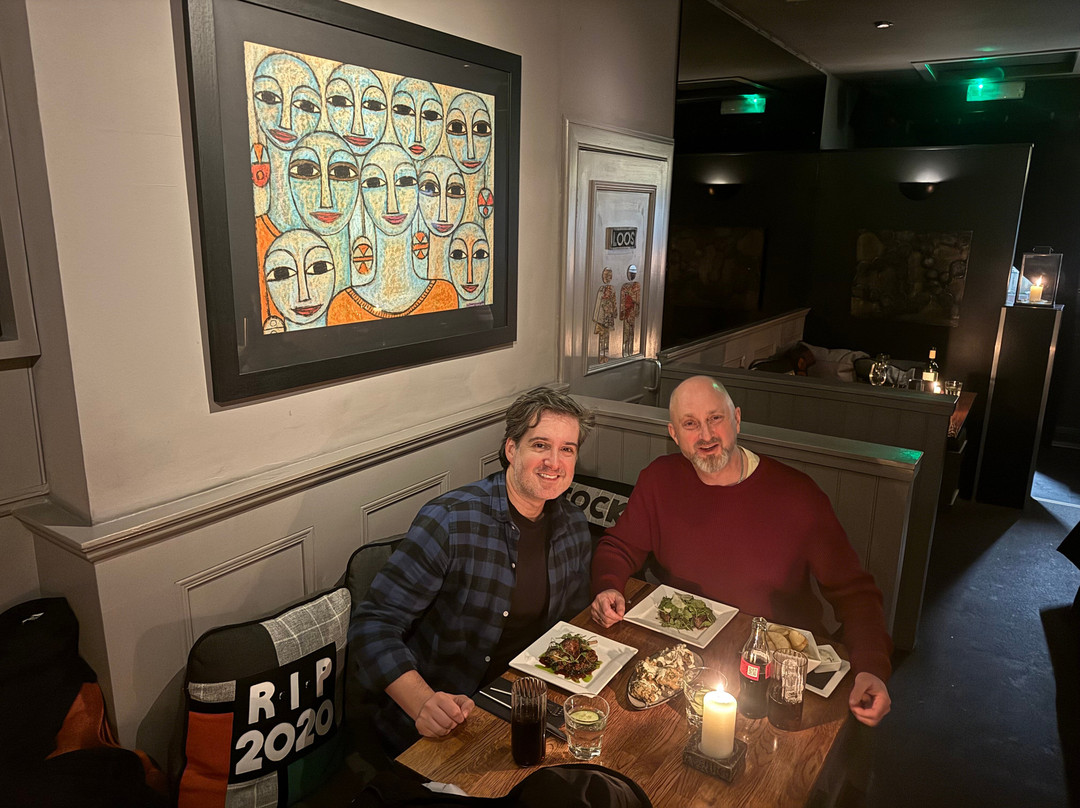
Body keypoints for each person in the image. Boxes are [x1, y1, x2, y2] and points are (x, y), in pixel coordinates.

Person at [590, 375, 893, 726]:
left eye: (715, 418)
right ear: (674, 434)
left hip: (778, 681)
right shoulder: (659, 478)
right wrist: (608, 586)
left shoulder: (798, 495)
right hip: (685, 667)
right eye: (690, 424)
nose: (706, 435)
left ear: (736, 419)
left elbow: (856, 594)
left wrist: (871, 667)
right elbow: (618, 546)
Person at [352, 388, 596, 753]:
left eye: (567, 449)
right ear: (511, 449)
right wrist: (422, 702)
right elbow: (372, 625)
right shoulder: (451, 520)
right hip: (442, 719)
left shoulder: (573, 524)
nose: (554, 462)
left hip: (525, 703)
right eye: (540, 445)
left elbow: (569, 627)